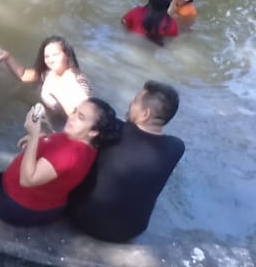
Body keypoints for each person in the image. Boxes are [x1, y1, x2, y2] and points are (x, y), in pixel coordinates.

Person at [0, 97, 120, 227]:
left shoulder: (72, 154)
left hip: (20, 207)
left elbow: (28, 180)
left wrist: (33, 136)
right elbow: (58, 152)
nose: (72, 117)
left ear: (94, 132)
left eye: (81, 117)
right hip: (38, 200)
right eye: (75, 111)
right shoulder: (83, 143)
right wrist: (41, 138)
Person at [66, 80, 185, 243]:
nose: (130, 103)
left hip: (82, 218)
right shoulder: (176, 148)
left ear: (145, 114)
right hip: (130, 231)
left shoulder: (113, 130)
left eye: (135, 100)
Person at [0, 35, 92, 126]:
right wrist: (7, 57)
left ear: (66, 55)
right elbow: (24, 75)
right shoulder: (50, 73)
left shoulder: (77, 82)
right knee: (15, 95)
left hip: (65, 128)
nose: (51, 60)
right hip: (48, 120)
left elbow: (84, 118)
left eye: (55, 54)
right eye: (47, 56)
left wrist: (58, 92)